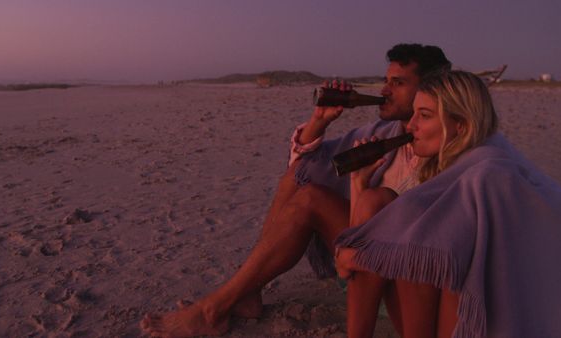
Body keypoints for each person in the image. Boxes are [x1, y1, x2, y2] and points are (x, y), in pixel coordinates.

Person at [140, 43, 452, 337]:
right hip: (365, 258)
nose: (384, 91)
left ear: (430, 89)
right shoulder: (384, 131)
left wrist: (360, 191)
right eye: (385, 81)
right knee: (296, 180)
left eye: (397, 83)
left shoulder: (449, 150)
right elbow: (306, 168)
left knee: (314, 199)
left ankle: (214, 309)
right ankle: (248, 293)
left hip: (399, 288)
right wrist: (320, 121)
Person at [335, 70, 561, 337]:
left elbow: (432, 251)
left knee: (418, 225)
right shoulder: (458, 162)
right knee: (377, 200)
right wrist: (359, 183)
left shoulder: (488, 171)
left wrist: (355, 257)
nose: (410, 125)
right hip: (449, 302)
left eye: (425, 116)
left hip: (485, 322)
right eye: (414, 113)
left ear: (461, 125)